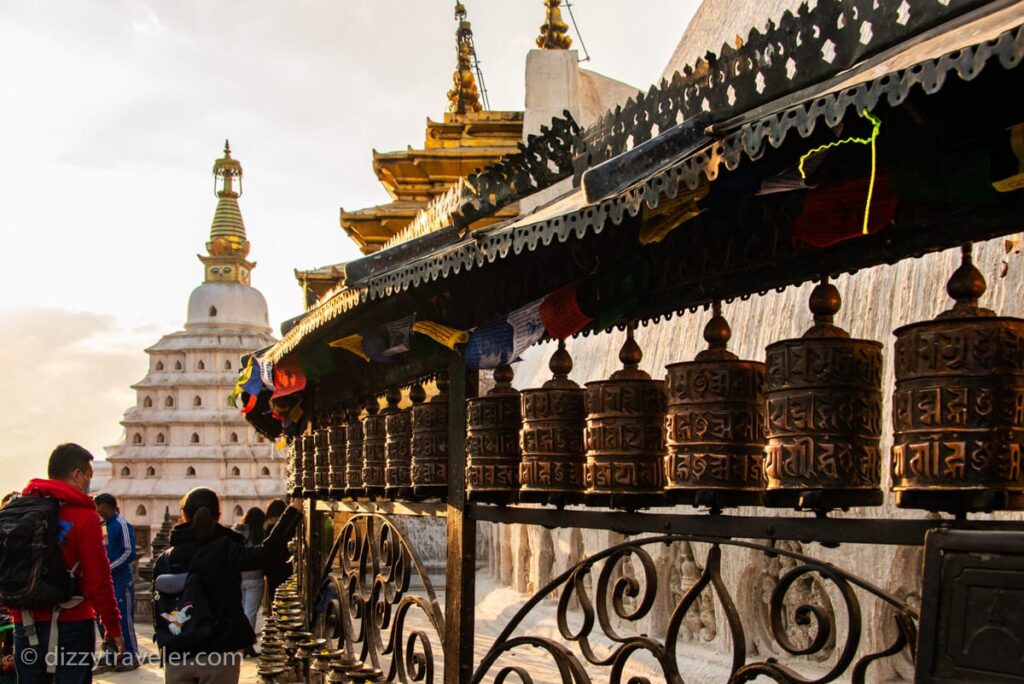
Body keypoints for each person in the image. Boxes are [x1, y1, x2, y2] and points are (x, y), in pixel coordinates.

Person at [154, 487, 301, 684]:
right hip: (219, 651)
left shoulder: (165, 559)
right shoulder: (225, 549)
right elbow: (266, 553)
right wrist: (292, 511)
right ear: (218, 516)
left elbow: (159, 608)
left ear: (183, 515)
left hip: (177, 653)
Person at [6, 443, 123, 683]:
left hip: (25, 622)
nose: (89, 484)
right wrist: (112, 627)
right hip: (72, 623)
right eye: (88, 476)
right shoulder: (85, 517)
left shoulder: (17, 510)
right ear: (76, 474)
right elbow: (98, 580)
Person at [93, 493, 139, 672]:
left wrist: (108, 568)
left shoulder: (122, 524)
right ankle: (111, 654)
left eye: (97, 506)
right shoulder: (103, 526)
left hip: (120, 580)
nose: (96, 510)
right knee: (103, 618)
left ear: (105, 506)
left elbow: (129, 552)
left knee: (124, 620)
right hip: (105, 581)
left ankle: (130, 656)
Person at [232, 507, 265, 641]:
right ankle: (246, 642)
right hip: (255, 576)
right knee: (250, 612)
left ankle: (238, 640)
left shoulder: (236, 531)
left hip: (238, 576)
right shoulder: (260, 534)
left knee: (239, 611)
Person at [261, 499, 291, 613]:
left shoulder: (266, 527)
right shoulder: (288, 525)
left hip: (272, 567)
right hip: (286, 566)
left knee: (274, 597)